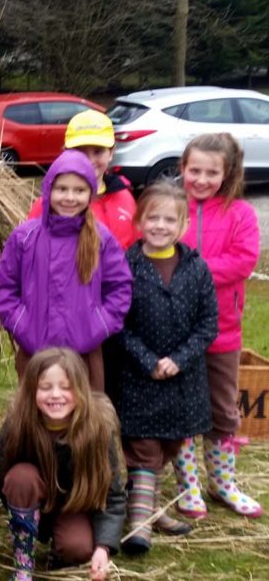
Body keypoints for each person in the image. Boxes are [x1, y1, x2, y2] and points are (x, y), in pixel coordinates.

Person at [0, 348, 125, 581]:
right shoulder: (20, 424)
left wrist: (103, 547)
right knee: (20, 477)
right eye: (45, 387)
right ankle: (23, 562)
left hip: (74, 507)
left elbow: (113, 495)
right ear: (32, 391)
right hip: (30, 499)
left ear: (81, 390)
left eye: (66, 387)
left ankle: (61, 552)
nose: (56, 395)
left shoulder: (97, 430)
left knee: (77, 549)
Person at [117, 182, 217, 553]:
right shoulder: (127, 266)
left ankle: (150, 507)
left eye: (169, 219)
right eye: (152, 217)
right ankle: (139, 526)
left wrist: (179, 360)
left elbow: (208, 322)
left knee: (169, 446)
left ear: (184, 224)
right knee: (143, 449)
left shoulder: (196, 268)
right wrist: (148, 360)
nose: (160, 225)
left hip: (182, 381)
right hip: (138, 378)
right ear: (140, 221)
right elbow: (118, 323)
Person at [171, 133, 262, 519]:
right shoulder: (173, 208)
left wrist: (193, 271)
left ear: (227, 174)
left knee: (223, 409)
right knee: (183, 410)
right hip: (177, 331)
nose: (202, 179)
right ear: (183, 169)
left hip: (224, 331)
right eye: (195, 170)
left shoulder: (241, 214)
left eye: (212, 172)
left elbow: (242, 261)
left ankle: (222, 483)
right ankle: (188, 486)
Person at [0, 150, 132, 391]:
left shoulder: (101, 239)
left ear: (90, 194)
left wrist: (97, 326)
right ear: (48, 190)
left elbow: (120, 289)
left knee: (84, 422)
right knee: (38, 419)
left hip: (85, 355)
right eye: (62, 189)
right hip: (35, 352)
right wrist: (22, 326)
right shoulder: (25, 237)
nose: (70, 197)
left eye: (79, 190)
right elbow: (5, 288)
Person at [26, 110, 137, 249]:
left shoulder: (125, 199)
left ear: (111, 153)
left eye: (98, 151)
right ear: (65, 152)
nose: (90, 160)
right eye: (80, 151)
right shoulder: (47, 205)